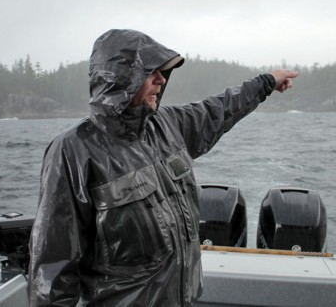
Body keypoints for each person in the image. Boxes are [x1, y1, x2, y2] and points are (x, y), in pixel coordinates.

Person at [28, 29, 298, 306]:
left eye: (162, 71)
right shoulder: (72, 151)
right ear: (121, 79)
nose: (161, 79)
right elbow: (52, 271)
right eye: (151, 72)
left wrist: (266, 82)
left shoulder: (168, 125)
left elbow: (220, 109)